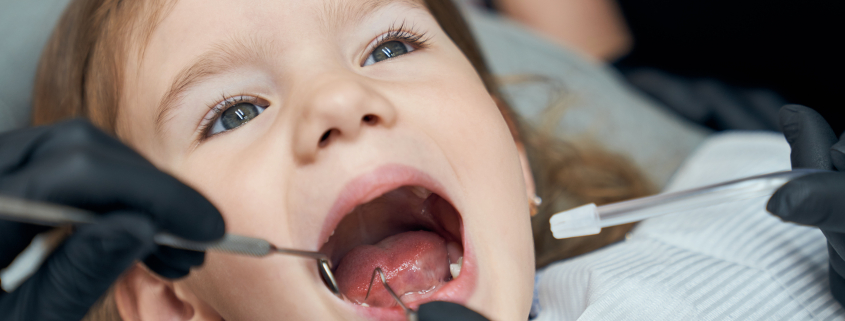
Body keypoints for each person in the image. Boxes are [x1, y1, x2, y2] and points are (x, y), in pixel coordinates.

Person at [0, 1, 842, 321]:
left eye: (390, 43)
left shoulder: (735, 218)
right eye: (235, 110)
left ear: (513, 162)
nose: (337, 100)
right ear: (172, 301)